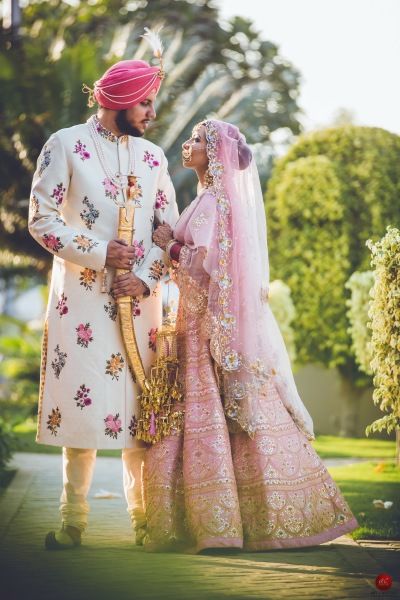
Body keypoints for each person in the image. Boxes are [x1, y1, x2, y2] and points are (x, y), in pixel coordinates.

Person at [147, 119, 358, 553]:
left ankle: (224, 522)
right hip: (197, 320)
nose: (187, 145)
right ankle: (239, 519)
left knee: (217, 413)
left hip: (203, 323)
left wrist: (169, 245)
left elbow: (203, 264)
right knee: (228, 417)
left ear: (213, 154)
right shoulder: (213, 199)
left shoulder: (212, 204)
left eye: (196, 141)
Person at [28, 34, 179, 549]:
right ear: (117, 101)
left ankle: (144, 522)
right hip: (83, 304)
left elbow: (170, 233)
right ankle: (73, 524)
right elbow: (41, 219)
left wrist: (149, 277)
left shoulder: (155, 158)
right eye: (144, 102)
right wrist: (99, 251)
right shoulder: (65, 145)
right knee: (83, 413)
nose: (151, 112)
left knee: (144, 416)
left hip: (141, 306)